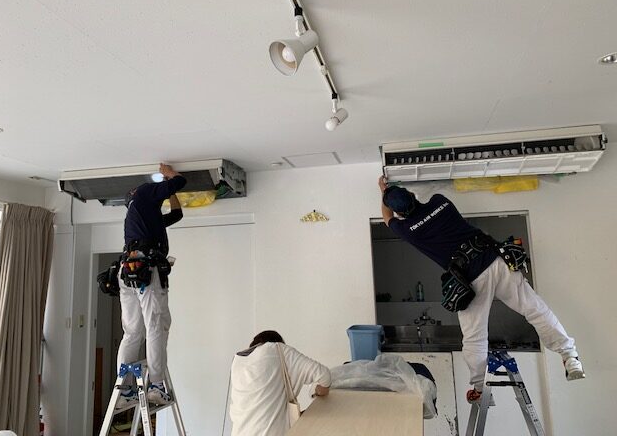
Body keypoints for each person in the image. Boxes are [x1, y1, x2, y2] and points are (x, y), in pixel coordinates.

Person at [378, 176, 585, 403]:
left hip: (470, 280)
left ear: (399, 213)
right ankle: (569, 356)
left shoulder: (408, 230)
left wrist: (382, 193)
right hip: (496, 260)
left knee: (474, 336)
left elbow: (386, 216)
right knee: (534, 308)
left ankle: (480, 388)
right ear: (411, 195)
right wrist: (388, 189)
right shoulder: (440, 201)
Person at [116, 163, 187, 407]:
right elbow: (180, 181)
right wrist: (169, 175)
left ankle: (124, 390)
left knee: (133, 332)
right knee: (156, 326)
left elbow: (176, 215)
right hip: (146, 270)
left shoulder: (144, 218)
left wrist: (170, 192)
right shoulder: (145, 192)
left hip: (129, 271)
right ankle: (156, 385)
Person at [229, 330, 331, 436]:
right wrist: (318, 392)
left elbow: (261, 411)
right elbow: (324, 376)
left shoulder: (239, 361)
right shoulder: (278, 349)